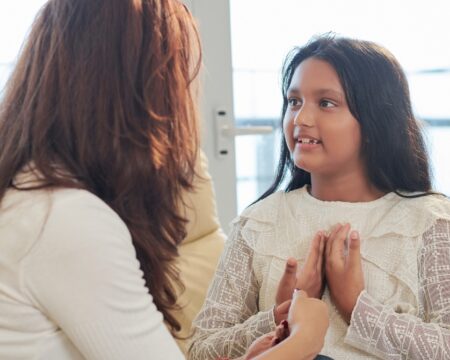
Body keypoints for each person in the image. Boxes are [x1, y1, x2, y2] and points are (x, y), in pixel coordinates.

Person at [0, 1, 330, 359]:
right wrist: (303, 342)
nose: (186, 103)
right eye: (179, 81)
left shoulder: (35, 193)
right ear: (140, 93)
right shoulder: (64, 219)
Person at [188, 34, 450, 360]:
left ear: (374, 122)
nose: (300, 119)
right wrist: (281, 316)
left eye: (326, 103)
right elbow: (201, 351)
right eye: (294, 101)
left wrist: (356, 305)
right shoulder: (258, 224)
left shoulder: (430, 222)